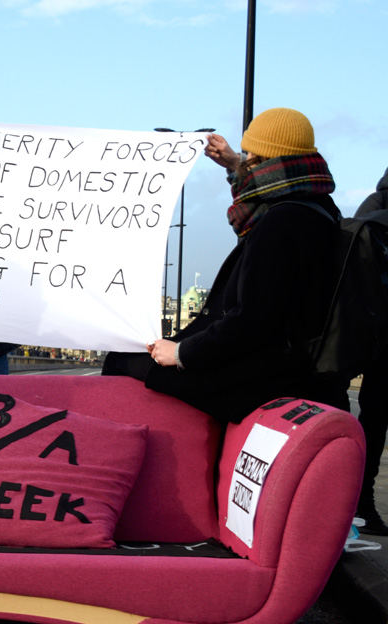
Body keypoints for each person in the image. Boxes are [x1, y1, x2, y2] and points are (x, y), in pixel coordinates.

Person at [102, 107, 348, 423]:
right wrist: (234, 164)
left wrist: (180, 353)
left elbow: (253, 320)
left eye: (248, 153)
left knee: (122, 360)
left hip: (260, 377)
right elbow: (263, 196)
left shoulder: (280, 224)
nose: (243, 159)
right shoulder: (319, 206)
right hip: (291, 367)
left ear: (262, 160)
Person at [351, 167, 388, 535]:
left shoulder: (372, 206)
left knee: (373, 421)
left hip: (372, 336)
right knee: (375, 420)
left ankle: (361, 504)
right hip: (379, 339)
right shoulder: (377, 211)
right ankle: (361, 504)